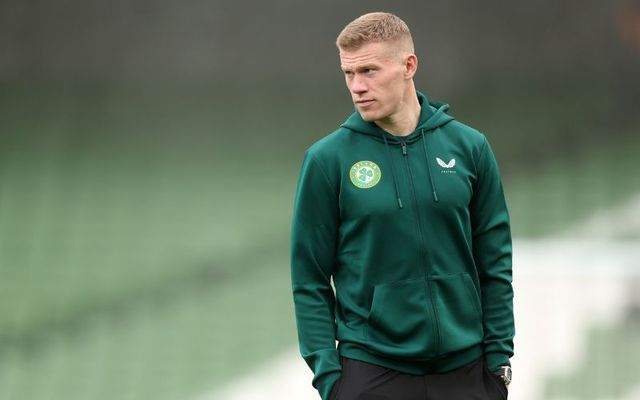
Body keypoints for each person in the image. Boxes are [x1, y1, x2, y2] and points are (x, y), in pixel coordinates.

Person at [290, 11, 514, 400]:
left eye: (369, 71)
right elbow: (309, 279)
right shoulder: (327, 160)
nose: (357, 86)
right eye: (349, 74)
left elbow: (494, 262)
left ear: (409, 66)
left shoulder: (469, 147)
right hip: (372, 371)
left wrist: (498, 360)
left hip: (466, 372)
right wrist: (330, 378)